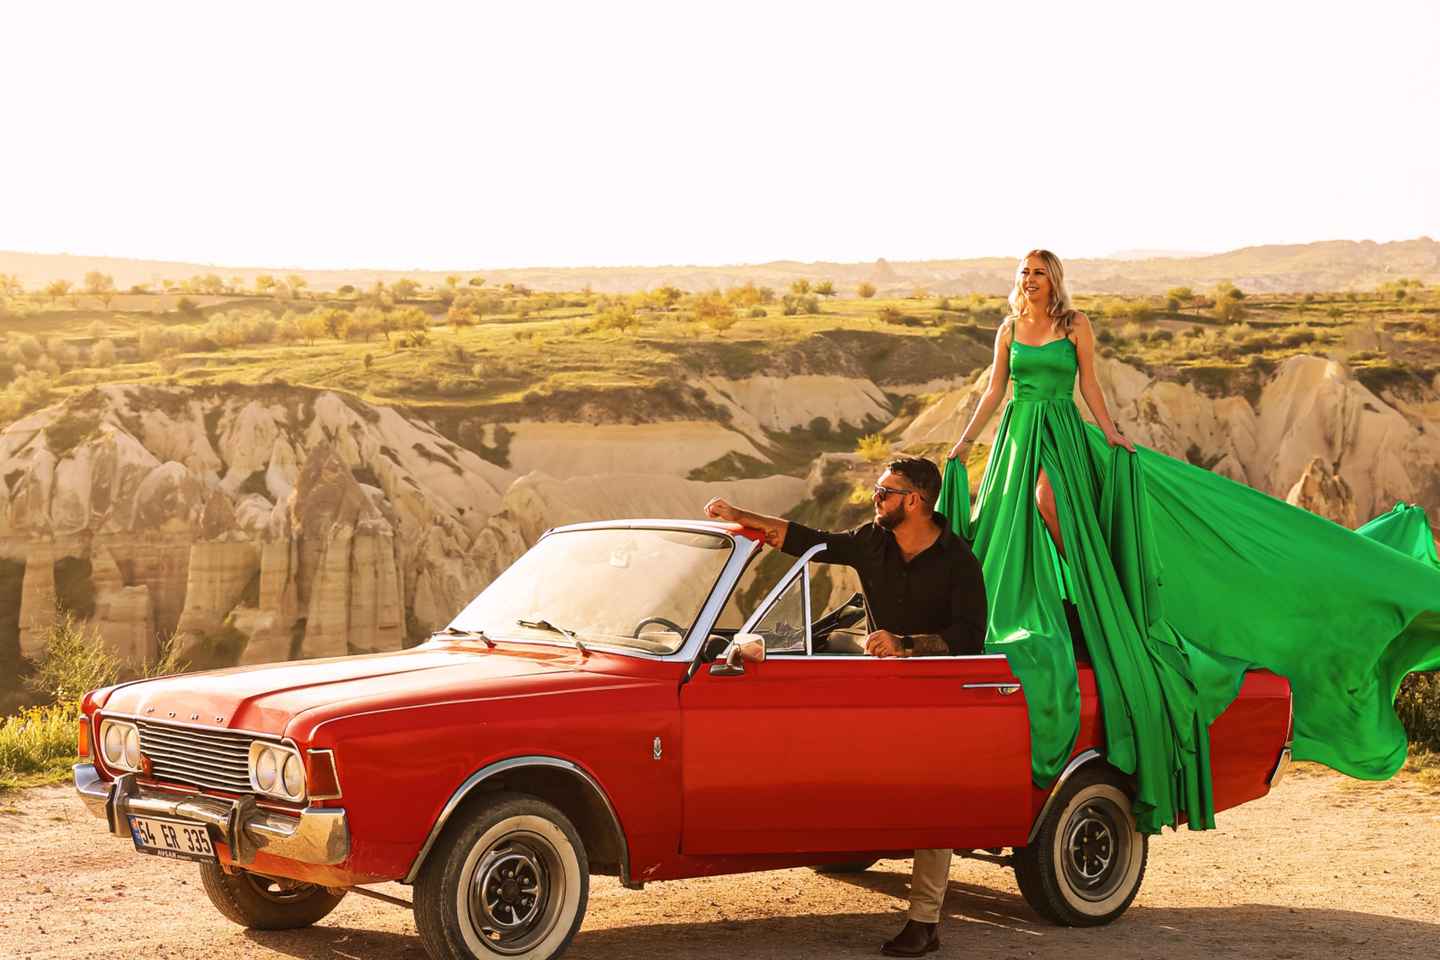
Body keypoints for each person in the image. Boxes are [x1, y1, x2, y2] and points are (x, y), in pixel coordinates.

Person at [936, 248, 1440, 837]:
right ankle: (1019, 615)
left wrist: (1114, 436)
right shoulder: (1008, 328)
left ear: (1056, 282)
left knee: (1052, 504)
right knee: (1000, 528)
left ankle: (1097, 597)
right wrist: (962, 443)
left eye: (1040, 273)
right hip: (1017, 439)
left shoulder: (1075, 326)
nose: (1030, 280)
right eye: (1025, 272)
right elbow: (993, 392)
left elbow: (1091, 390)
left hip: (1063, 438)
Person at [704, 456, 985, 958]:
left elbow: (970, 636)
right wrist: (740, 514)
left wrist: (907, 644)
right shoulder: (872, 541)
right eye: (878, 489)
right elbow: (811, 540)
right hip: (880, 688)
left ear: (915, 501)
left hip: (937, 691)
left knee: (930, 801)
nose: (875, 497)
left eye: (885, 491)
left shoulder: (957, 560)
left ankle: (924, 921)